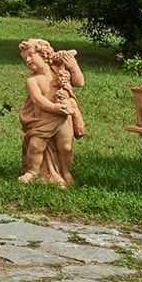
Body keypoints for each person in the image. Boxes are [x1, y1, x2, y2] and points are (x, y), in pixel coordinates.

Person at [17, 37, 87, 186]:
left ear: (43, 54)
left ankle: (65, 171)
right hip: (43, 119)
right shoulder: (32, 80)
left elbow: (79, 82)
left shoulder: (59, 71)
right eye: (25, 58)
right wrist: (54, 108)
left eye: (31, 55)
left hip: (63, 116)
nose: (28, 60)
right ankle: (32, 172)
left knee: (66, 147)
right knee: (36, 146)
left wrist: (73, 66)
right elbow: (37, 99)